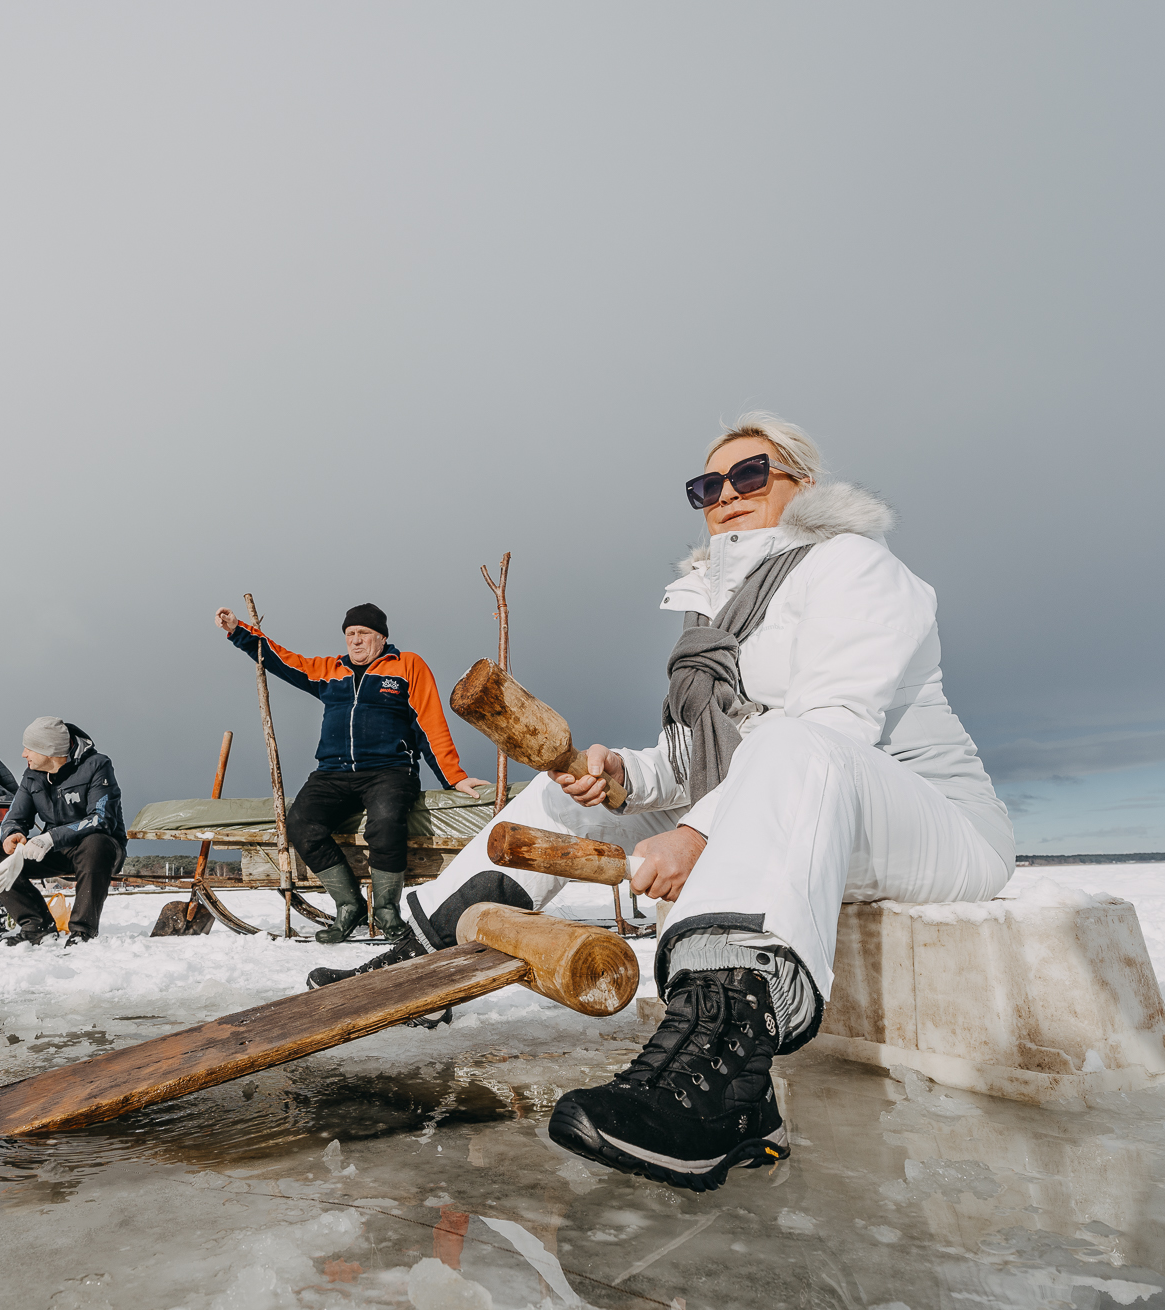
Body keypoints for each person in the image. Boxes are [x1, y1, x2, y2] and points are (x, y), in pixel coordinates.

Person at [315, 414, 1014, 1193]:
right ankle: (426, 961)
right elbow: (696, 759)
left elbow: (830, 726)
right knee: (564, 798)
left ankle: (725, 1078)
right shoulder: (712, 605)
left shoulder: (854, 565)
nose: (727, 494)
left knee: (796, 743)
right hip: (782, 798)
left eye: (751, 474)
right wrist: (622, 778)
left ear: (804, 484)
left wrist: (699, 835)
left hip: (924, 818)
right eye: (707, 485)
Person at [215, 602, 487, 945]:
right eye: (350, 634)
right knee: (301, 823)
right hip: (333, 773)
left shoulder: (407, 666)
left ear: (382, 637)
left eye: (364, 633)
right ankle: (350, 905)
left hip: (390, 771)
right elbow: (280, 659)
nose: (356, 640)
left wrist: (453, 777)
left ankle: (386, 910)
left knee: (385, 822)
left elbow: (430, 723)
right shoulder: (330, 670)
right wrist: (238, 630)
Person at [0, 717, 125, 946]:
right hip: (54, 851)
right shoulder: (32, 776)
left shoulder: (97, 765)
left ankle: (82, 932)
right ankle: (37, 927)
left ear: (49, 749)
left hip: (98, 853)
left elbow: (101, 819)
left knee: (96, 843)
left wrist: (51, 837)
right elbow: (14, 817)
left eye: (29, 748)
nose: (24, 754)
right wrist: (12, 835)